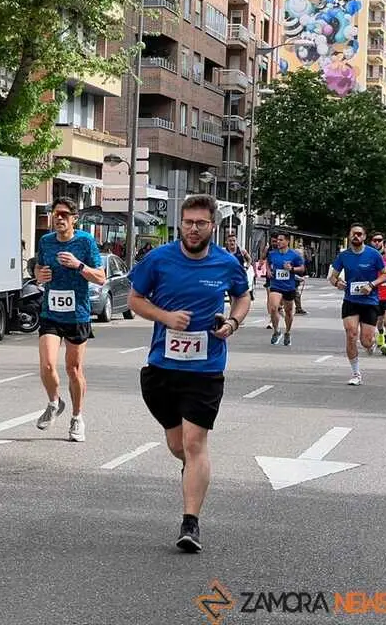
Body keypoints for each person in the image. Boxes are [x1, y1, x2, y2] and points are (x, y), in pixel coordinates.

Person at [127, 194, 250, 553]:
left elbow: (242, 298)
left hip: (206, 368)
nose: (193, 229)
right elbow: (135, 299)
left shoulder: (227, 264)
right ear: (180, 223)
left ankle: (190, 523)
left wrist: (232, 322)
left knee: (196, 444)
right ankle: (195, 473)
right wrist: (165, 317)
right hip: (162, 368)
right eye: (188, 222)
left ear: (213, 226)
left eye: (201, 223)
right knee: (177, 446)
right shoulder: (158, 259)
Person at [33, 197, 106, 442]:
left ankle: (77, 417)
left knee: (73, 369)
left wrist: (78, 265)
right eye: (56, 214)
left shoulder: (85, 242)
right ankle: (54, 402)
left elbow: (101, 277)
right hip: (50, 313)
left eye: (65, 214)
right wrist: (39, 275)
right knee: (47, 365)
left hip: (77, 314)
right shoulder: (46, 241)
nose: (59, 218)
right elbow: (38, 269)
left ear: (75, 218)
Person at [329, 224, 386, 386]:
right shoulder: (344, 256)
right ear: (349, 236)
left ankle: (372, 343)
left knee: (366, 341)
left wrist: (371, 285)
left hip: (370, 302)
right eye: (353, 234)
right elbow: (333, 277)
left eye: (359, 234)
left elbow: (385, 275)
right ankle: (356, 373)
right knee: (351, 334)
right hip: (350, 301)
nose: (356, 236)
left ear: (364, 237)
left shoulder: (374, 255)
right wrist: (337, 283)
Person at [265, 233, 304, 346]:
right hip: (276, 285)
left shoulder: (294, 255)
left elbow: (302, 269)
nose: (278, 242)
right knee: (273, 308)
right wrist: (268, 271)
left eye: (281, 240)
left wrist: (291, 268)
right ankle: (276, 331)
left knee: (288, 311)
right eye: (277, 240)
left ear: (287, 242)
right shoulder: (272, 254)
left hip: (289, 286)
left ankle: (287, 332)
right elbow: (268, 263)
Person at [224, 232, 253, 299]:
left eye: (234, 241)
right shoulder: (224, 253)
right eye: (230, 241)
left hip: (240, 276)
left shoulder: (241, 251)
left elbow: (249, 259)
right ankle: (233, 308)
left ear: (236, 241)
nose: (232, 243)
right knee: (232, 296)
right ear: (227, 242)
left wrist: (246, 267)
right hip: (230, 277)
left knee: (241, 296)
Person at [377, 240, 386, 356]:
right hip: (379, 296)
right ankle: (381, 334)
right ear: (384, 248)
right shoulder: (379, 262)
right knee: (380, 321)